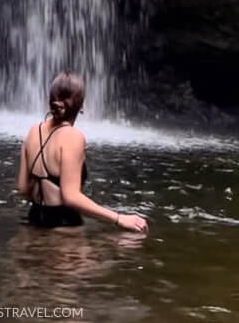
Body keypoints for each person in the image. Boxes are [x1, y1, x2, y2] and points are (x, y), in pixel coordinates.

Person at [16, 71, 148, 232]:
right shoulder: (73, 137)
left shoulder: (32, 132)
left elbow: (23, 187)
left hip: (34, 219)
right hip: (64, 225)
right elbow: (71, 197)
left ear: (51, 100)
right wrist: (119, 218)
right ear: (81, 105)